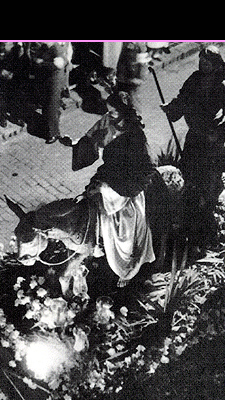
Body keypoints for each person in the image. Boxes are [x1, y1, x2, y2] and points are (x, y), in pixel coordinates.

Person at [65, 90, 157, 286]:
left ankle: (127, 265)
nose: (110, 116)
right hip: (108, 173)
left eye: (114, 112)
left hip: (126, 184)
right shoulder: (108, 120)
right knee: (89, 202)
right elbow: (92, 140)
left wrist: (120, 189)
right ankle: (94, 243)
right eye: (109, 111)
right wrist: (75, 145)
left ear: (124, 111)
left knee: (125, 224)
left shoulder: (136, 134)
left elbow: (146, 167)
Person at [160, 45, 225, 250]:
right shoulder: (194, 80)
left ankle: (203, 232)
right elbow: (182, 99)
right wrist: (171, 109)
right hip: (194, 139)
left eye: (206, 63)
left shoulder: (222, 86)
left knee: (205, 186)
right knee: (188, 181)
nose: (202, 65)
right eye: (201, 61)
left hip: (210, 143)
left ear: (215, 65)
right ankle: (183, 226)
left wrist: (219, 133)